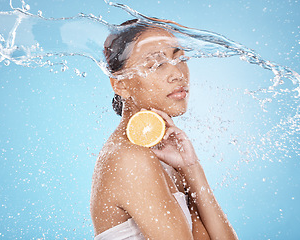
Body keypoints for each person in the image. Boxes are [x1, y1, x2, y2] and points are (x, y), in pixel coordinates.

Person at [90, 19, 238, 240]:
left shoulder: (165, 151)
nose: (177, 74)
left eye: (180, 59)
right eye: (156, 64)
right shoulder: (130, 158)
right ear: (120, 85)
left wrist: (192, 168)